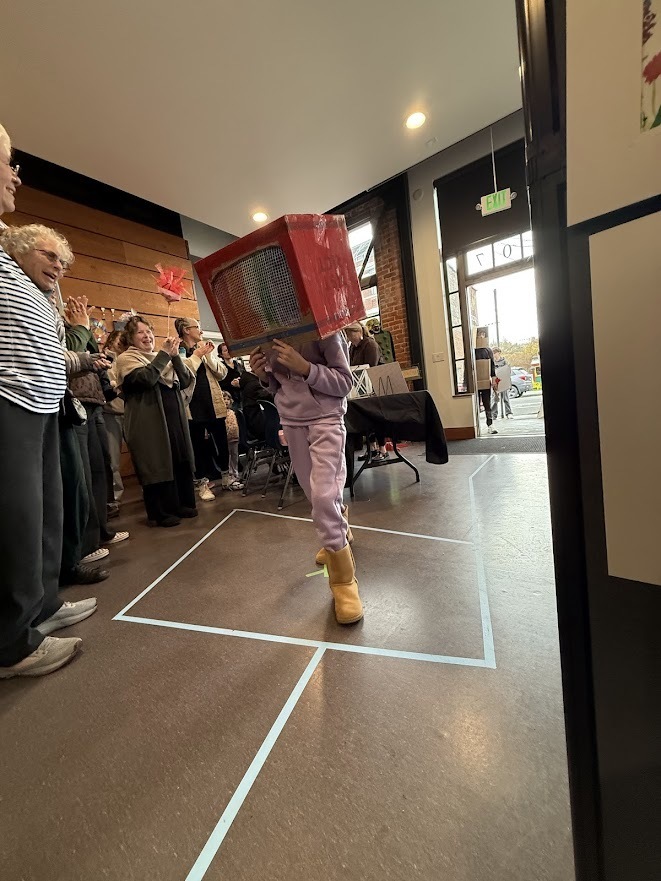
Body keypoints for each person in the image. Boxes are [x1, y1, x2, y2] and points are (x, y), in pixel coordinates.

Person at [0, 130, 97, 678]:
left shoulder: (26, 276)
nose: (16, 175)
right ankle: (11, 644)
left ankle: (40, 608)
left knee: (44, 515)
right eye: (7, 163)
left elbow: (55, 350)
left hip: (41, 404)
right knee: (15, 520)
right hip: (8, 400)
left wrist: (54, 289)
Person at [0, 224, 111, 588]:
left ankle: (49, 591)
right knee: (30, 510)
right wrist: (81, 338)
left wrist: (82, 353)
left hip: (54, 403)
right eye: (49, 256)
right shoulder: (10, 279)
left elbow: (53, 353)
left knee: (64, 496)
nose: (58, 266)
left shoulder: (39, 298)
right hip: (23, 401)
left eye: (62, 261)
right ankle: (34, 608)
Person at [250, 335, 363, 625]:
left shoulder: (327, 332)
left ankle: (343, 582)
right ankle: (340, 530)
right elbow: (278, 384)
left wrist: (306, 368)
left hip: (326, 418)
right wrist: (263, 375)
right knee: (313, 495)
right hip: (291, 420)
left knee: (325, 496)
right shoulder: (268, 335)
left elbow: (344, 383)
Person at [117, 316, 197, 527]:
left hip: (174, 420)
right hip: (148, 423)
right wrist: (163, 355)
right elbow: (146, 379)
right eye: (141, 332)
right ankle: (162, 512)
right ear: (131, 338)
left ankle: (181, 503)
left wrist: (175, 357)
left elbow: (186, 380)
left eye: (149, 331)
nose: (147, 336)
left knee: (178, 457)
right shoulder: (127, 359)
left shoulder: (160, 357)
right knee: (157, 461)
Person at [65, 295, 129, 554]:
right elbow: (66, 353)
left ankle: (102, 531)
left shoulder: (82, 331)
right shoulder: (63, 329)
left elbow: (92, 356)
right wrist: (79, 326)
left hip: (95, 403)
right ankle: (88, 542)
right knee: (84, 475)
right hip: (75, 404)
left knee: (101, 469)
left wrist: (87, 329)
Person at [175, 317, 243, 497]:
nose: (201, 331)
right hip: (192, 406)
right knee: (198, 446)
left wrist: (208, 356)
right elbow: (183, 372)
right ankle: (202, 484)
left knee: (222, 442)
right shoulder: (179, 350)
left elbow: (221, 373)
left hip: (212, 403)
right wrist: (197, 355)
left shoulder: (204, 348)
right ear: (186, 330)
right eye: (197, 327)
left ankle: (227, 477)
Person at [345, 321, 389, 462]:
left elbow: (370, 366)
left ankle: (383, 450)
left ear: (358, 332)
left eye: (351, 336)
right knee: (365, 419)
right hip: (361, 388)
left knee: (376, 418)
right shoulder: (353, 348)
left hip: (374, 387)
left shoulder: (370, 344)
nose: (350, 340)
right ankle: (372, 449)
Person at [103, 330, 127, 508]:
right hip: (111, 413)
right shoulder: (105, 359)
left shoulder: (128, 358)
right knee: (113, 459)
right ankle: (115, 498)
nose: (121, 344)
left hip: (131, 411)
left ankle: (149, 490)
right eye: (119, 340)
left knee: (142, 453)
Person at [474, 329, 498, 435]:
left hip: (485, 382)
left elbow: (492, 366)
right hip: (474, 382)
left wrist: (494, 380)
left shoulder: (488, 350)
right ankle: (475, 426)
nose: (482, 336)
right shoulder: (472, 349)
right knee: (475, 404)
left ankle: (490, 425)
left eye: (483, 334)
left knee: (487, 403)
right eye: (480, 334)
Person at [491, 347, 512, 420]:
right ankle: (494, 414)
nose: (494, 355)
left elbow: (508, 370)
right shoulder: (492, 362)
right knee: (495, 399)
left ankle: (508, 413)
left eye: (495, 353)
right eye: (493, 353)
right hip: (496, 382)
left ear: (498, 353)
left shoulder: (504, 361)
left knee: (505, 397)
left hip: (503, 381)